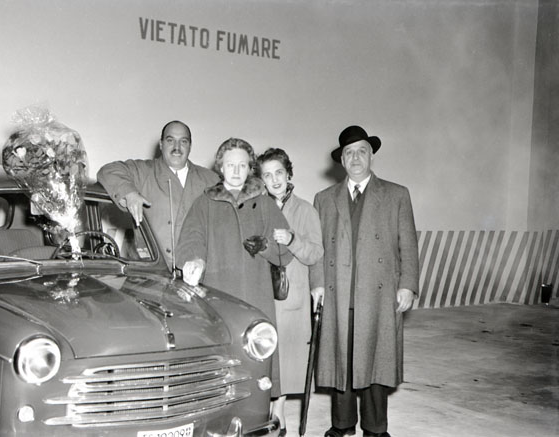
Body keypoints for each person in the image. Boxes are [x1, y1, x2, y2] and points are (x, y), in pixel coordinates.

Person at [313, 125, 419, 437]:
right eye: (349, 153)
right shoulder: (324, 199)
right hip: (338, 293)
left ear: (371, 156)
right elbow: (317, 249)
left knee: (376, 361)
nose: (356, 157)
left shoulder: (396, 195)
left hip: (378, 294)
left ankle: (375, 428)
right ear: (341, 160)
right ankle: (342, 424)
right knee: (341, 361)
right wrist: (317, 284)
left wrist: (408, 285)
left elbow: (408, 244)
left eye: (362, 151)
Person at [176, 138, 293, 398]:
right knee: (220, 361)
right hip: (218, 295)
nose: (237, 171)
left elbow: (284, 252)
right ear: (220, 167)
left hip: (256, 295)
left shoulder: (265, 203)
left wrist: (265, 246)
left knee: (258, 359)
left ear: (250, 168)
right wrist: (195, 260)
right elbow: (191, 239)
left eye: (242, 165)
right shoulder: (205, 203)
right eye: (231, 165)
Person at [256, 148, 324, 436]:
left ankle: (279, 413)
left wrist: (293, 240)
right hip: (259, 293)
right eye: (267, 175)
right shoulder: (254, 207)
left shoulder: (306, 210)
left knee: (285, 358)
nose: (274, 180)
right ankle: (262, 411)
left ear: (289, 174)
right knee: (262, 355)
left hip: (290, 296)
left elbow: (316, 253)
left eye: (279, 173)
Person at [97, 121, 219, 268]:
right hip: (151, 271)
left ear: (190, 146)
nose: (177, 147)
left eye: (183, 141)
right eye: (170, 140)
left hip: (197, 271)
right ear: (161, 145)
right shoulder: (143, 171)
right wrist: (130, 194)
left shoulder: (211, 180)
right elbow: (108, 171)